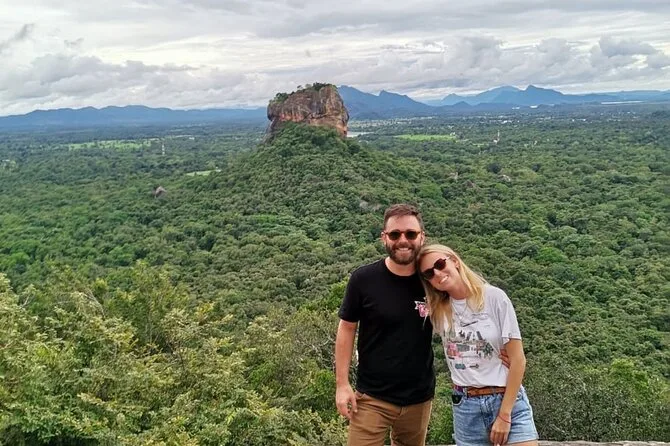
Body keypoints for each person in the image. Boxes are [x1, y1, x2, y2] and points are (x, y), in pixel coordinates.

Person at [416, 244, 539, 446]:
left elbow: (518, 360)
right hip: (466, 406)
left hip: (508, 400)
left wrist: (504, 415)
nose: (437, 273)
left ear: (454, 261)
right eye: (429, 273)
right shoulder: (437, 310)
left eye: (440, 264)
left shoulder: (494, 297)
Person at [335, 203, 435, 446]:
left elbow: (466, 309)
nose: (403, 240)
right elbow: (347, 329)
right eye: (395, 234)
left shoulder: (433, 280)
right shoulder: (363, 279)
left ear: (422, 237)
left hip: (419, 399)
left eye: (411, 234)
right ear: (384, 238)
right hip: (372, 398)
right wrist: (342, 384)